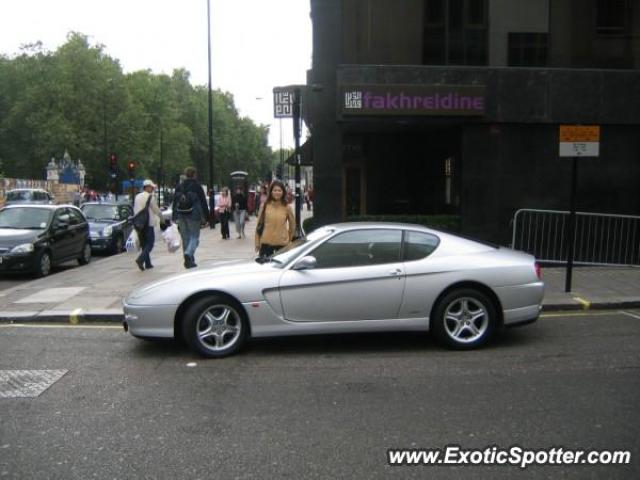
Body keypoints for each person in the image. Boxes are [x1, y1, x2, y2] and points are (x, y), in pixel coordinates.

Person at [172, 167, 209, 269]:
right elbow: (203, 202)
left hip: (181, 215)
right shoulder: (197, 186)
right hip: (194, 215)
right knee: (194, 237)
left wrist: (174, 216)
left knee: (185, 238)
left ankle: (188, 261)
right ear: (194, 175)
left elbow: (175, 202)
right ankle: (188, 254)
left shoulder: (180, 186)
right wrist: (207, 217)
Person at [255, 180, 296, 258]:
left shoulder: (287, 207)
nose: (277, 192)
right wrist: (257, 242)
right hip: (265, 245)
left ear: (283, 192)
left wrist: (288, 239)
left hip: (282, 246)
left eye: (279, 190)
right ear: (271, 192)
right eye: (275, 190)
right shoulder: (264, 206)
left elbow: (292, 226)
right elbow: (259, 225)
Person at [133, 179, 163, 271]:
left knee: (144, 244)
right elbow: (156, 210)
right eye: (152, 187)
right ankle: (141, 259)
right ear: (147, 187)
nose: (153, 189)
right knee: (150, 244)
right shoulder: (150, 197)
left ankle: (148, 264)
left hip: (139, 224)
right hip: (148, 223)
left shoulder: (137, 196)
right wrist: (162, 219)